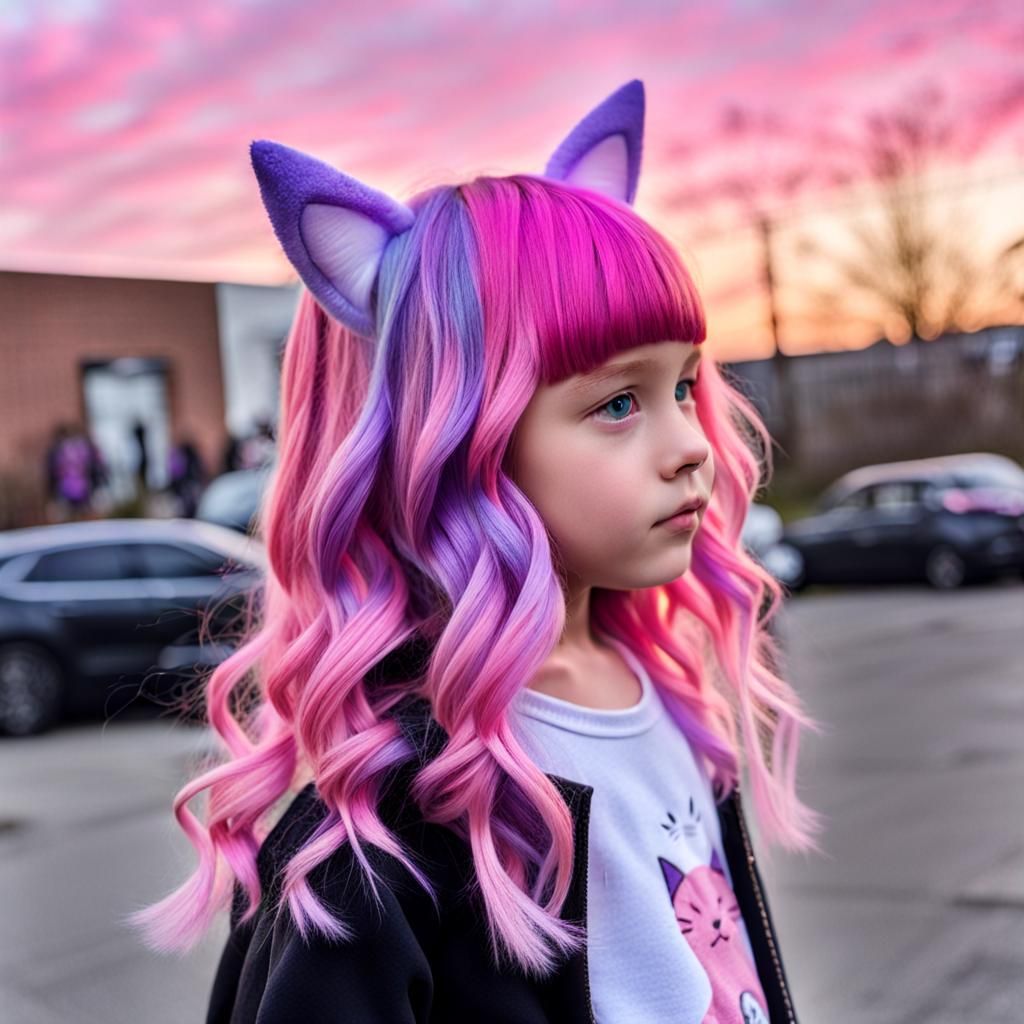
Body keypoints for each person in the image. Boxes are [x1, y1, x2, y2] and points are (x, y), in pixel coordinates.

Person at [126, 80, 822, 1023]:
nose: (694, 441)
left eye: (686, 384)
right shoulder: (380, 842)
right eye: (618, 402)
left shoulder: (666, 700)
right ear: (453, 445)